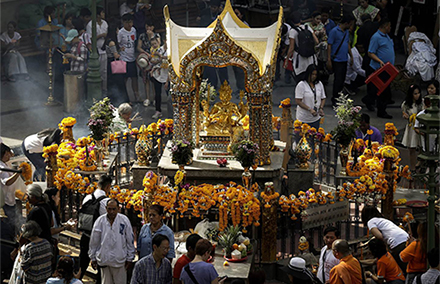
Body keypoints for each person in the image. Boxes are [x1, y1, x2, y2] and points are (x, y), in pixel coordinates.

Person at [89, 199, 135, 284]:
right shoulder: (100, 221)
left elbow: (129, 239)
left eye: (114, 209)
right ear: (106, 208)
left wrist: (130, 258)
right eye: (109, 209)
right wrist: (93, 257)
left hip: (120, 260)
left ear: (118, 209)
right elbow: (94, 240)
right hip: (104, 259)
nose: (112, 212)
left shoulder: (124, 220)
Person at [78, 174, 111, 280]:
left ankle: (76, 280)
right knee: (102, 267)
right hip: (100, 239)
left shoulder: (87, 197)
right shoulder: (106, 202)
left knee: (82, 263)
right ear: (107, 187)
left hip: (86, 235)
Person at [361, 205, 409, 273]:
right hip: (406, 239)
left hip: (397, 243)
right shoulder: (382, 220)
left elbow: (379, 236)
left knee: (402, 268)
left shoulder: (371, 221)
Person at [363, 18, 395, 118]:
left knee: (379, 90)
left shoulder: (386, 36)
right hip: (379, 68)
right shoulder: (376, 37)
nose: (390, 28)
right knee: (382, 91)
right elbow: (370, 52)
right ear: (385, 26)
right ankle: (381, 111)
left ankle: (368, 100)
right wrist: (380, 61)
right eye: (389, 26)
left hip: (388, 68)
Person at [327, 14, 354, 106]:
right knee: (337, 80)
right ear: (346, 23)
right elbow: (329, 45)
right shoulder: (334, 31)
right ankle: (335, 99)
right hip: (337, 59)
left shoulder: (346, 32)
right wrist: (329, 59)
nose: (351, 26)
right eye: (350, 24)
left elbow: (347, 44)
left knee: (342, 80)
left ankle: (339, 97)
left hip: (344, 59)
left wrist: (351, 56)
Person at [285, 12, 318, 82]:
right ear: (300, 20)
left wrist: (287, 60)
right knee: (310, 80)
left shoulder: (293, 31)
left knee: (301, 81)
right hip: (311, 58)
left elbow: (291, 48)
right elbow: (317, 41)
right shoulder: (307, 27)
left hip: (300, 60)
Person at [0, 143, 26, 234]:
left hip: (10, 197)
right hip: (6, 200)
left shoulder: (4, 163)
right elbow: (7, 182)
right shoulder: (2, 167)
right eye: (6, 154)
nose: (9, 156)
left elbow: (12, 153)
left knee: (15, 219)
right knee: (11, 222)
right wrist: (18, 173)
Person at [294, 64, 326, 130]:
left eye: (315, 75)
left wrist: (321, 108)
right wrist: (309, 109)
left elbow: (323, 98)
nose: (314, 76)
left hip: (316, 118)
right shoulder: (301, 85)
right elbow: (298, 101)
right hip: (304, 118)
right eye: (312, 74)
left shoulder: (319, 84)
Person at [118, 13, 141, 103]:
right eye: (127, 22)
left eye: (131, 22)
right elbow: (118, 43)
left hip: (132, 58)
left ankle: (136, 95)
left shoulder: (133, 30)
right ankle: (125, 97)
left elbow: (134, 41)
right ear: (123, 23)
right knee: (125, 79)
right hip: (123, 59)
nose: (129, 24)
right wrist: (120, 49)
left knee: (134, 78)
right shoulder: (121, 32)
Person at [401, 85, 424, 171]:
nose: (417, 95)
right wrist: (405, 116)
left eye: (418, 93)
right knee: (412, 149)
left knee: (422, 147)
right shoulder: (405, 104)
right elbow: (404, 113)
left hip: (421, 127)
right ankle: (413, 167)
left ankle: (421, 163)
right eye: (415, 93)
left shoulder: (423, 102)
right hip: (411, 128)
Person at [137, 21, 160, 107]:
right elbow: (138, 47)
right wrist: (146, 54)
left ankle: (154, 98)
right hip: (145, 58)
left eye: (150, 26)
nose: (149, 28)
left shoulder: (156, 35)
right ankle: (147, 98)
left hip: (154, 58)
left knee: (154, 80)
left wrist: (151, 36)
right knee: (146, 79)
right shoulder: (142, 36)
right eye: (147, 26)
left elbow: (158, 46)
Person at [105, 22, 129, 105]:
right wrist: (118, 53)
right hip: (114, 64)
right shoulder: (112, 42)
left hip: (109, 63)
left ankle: (113, 100)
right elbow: (115, 55)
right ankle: (123, 100)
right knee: (119, 83)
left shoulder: (108, 40)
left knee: (111, 83)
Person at [86, 7, 108, 93]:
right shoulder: (90, 24)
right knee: (96, 71)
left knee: (104, 71)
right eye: (102, 13)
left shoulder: (105, 23)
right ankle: (95, 90)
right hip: (95, 51)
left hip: (104, 50)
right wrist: (100, 35)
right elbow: (90, 38)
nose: (104, 14)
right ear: (98, 15)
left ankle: (104, 89)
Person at [305, 12, 328, 82]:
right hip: (307, 49)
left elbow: (324, 38)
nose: (319, 21)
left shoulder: (321, 27)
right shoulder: (306, 26)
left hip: (318, 50)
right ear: (312, 18)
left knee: (317, 65)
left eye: (320, 19)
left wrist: (323, 43)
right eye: (317, 19)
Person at [150, 35, 169, 119]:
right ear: (164, 40)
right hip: (158, 74)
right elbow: (153, 61)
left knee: (169, 95)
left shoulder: (172, 51)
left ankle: (172, 111)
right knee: (157, 94)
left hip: (167, 75)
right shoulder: (158, 50)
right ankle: (158, 111)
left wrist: (168, 80)